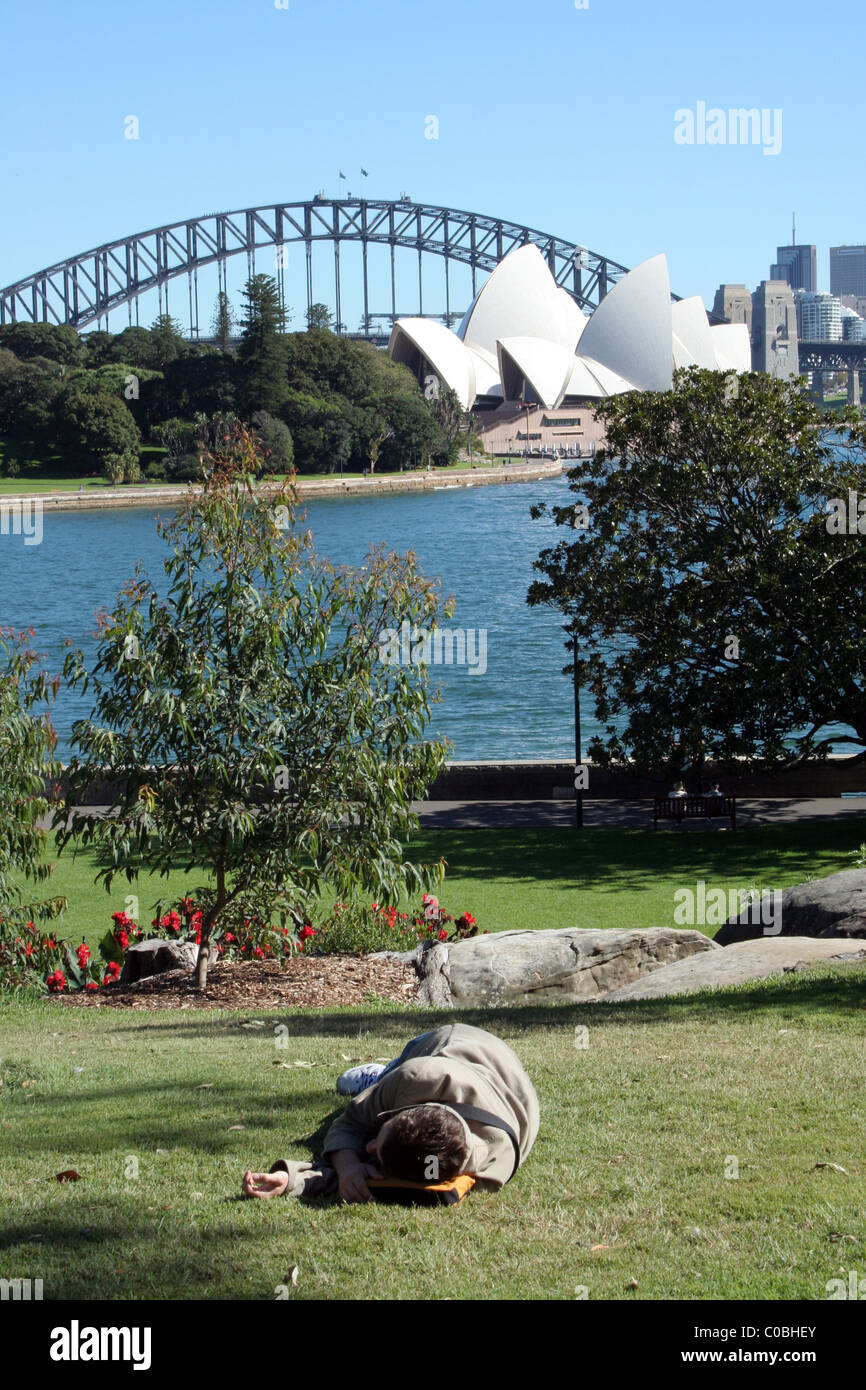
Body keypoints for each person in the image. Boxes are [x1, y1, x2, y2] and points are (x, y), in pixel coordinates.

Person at [242, 1023, 539, 1204]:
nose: (368, 1147)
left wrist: (292, 1180)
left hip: (504, 1073)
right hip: (443, 1043)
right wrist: (348, 1167)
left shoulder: (496, 1167)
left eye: (376, 1155)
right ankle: (378, 1077)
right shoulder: (415, 1078)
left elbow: (398, 1187)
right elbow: (349, 1124)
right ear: (405, 1111)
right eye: (379, 1137)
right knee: (362, 1081)